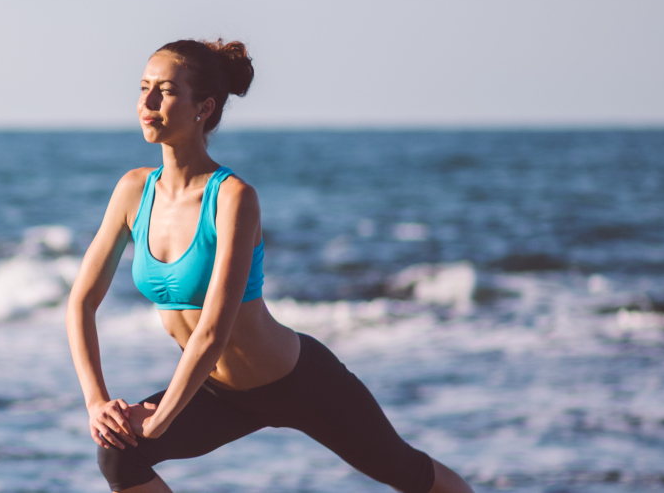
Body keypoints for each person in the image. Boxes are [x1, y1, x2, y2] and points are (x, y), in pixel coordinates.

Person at [63, 39, 476, 493]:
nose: (148, 102)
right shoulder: (133, 191)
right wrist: (96, 402)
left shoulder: (233, 198)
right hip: (217, 392)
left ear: (205, 106)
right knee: (119, 454)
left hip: (298, 382)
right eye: (143, 88)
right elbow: (81, 302)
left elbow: (213, 331)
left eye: (166, 90)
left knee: (411, 475)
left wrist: (162, 417)